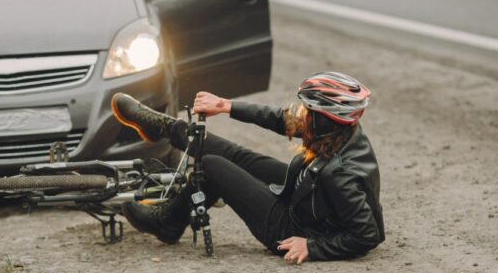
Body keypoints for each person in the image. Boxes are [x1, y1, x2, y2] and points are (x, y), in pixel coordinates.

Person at [111, 71, 384, 263]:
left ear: (327, 119)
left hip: (290, 228)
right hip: (306, 195)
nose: (302, 114)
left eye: (309, 111)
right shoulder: (337, 132)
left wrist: (312, 247)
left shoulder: (340, 175)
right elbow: (281, 119)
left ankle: (166, 223)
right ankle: (166, 127)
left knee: (213, 165)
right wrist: (226, 106)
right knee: (237, 154)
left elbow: (367, 234)